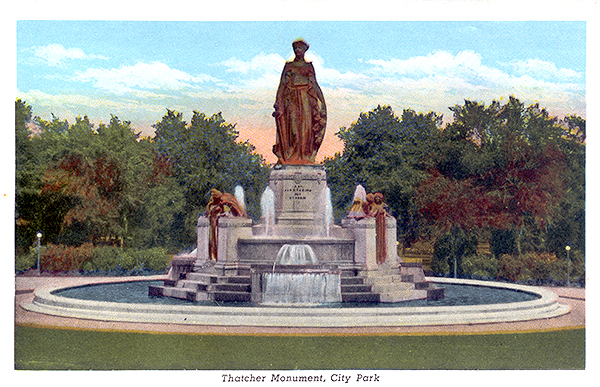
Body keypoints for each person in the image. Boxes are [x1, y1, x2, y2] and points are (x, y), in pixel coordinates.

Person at [272, 39, 327, 164]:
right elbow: (282, 84)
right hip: (291, 99)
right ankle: (291, 156)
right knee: (293, 128)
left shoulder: (309, 66)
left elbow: (314, 84)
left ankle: (305, 156)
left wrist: (320, 102)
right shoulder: (289, 66)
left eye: (300, 48)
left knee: (306, 128)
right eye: (296, 48)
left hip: (306, 99)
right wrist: (278, 101)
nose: (298, 51)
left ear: (304, 50)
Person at [205, 189, 247, 261]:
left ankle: (215, 256)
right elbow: (209, 212)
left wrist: (225, 212)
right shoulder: (212, 204)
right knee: (213, 240)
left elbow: (233, 209)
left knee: (216, 240)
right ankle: (214, 256)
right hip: (214, 225)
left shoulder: (225, 199)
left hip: (221, 224)